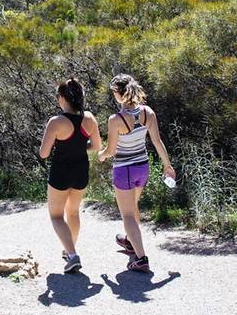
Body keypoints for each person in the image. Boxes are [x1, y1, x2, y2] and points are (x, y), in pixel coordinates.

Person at [99, 73, 175, 272]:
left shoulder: (115, 119)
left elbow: (111, 150)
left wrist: (100, 155)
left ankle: (141, 259)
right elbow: (157, 142)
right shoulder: (148, 113)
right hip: (142, 167)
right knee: (133, 208)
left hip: (124, 170)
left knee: (128, 215)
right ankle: (131, 241)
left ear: (118, 93)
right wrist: (168, 166)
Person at [40, 77, 101, 273]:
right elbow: (97, 147)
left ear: (63, 98)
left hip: (61, 172)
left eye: (58, 95)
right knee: (73, 212)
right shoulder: (90, 119)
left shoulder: (56, 122)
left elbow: (44, 153)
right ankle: (70, 251)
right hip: (81, 171)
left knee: (56, 216)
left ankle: (73, 255)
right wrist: (81, 145)